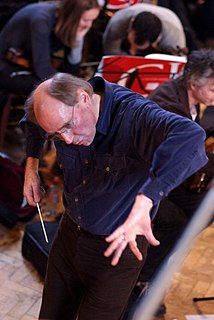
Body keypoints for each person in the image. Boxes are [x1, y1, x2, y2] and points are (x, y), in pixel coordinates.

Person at [20, 72, 207, 320]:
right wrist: (31, 167)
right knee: (52, 313)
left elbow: (190, 137)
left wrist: (147, 198)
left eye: (67, 126)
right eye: (56, 135)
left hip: (117, 248)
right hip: (69, 232)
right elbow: (34, 121)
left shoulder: (135, 115)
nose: (66, 139)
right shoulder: (57, 109)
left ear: (84, 98)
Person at [124, 48, 214, 318]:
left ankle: (162, 258)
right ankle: (140, 282)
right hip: (142, 180)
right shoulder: (168, 104)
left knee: (205, 208)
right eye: (213, 87)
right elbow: (182, 160)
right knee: (175, 221)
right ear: (193, 82)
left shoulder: (188, 95)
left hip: (168, 177)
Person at [0, 0, 100, 111]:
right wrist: (73, 88)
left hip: (28, 61)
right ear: (72, 16)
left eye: (92, 20)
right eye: (86, 20)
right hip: (7, 65)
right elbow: (42, 69)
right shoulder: (41, 20)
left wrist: (77, 39)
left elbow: (72, 68)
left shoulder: (62, 19)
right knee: (57, 94)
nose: (89, 25)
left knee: (67, 86)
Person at [102, 3, 187, 56]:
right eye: (132, 43)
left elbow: (177, 65)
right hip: (124, 46)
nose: (133, 51)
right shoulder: (118, 21)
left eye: (136, 48)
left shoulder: (174, 35)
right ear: (131, 26)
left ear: (157, 39)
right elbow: (110, 52)